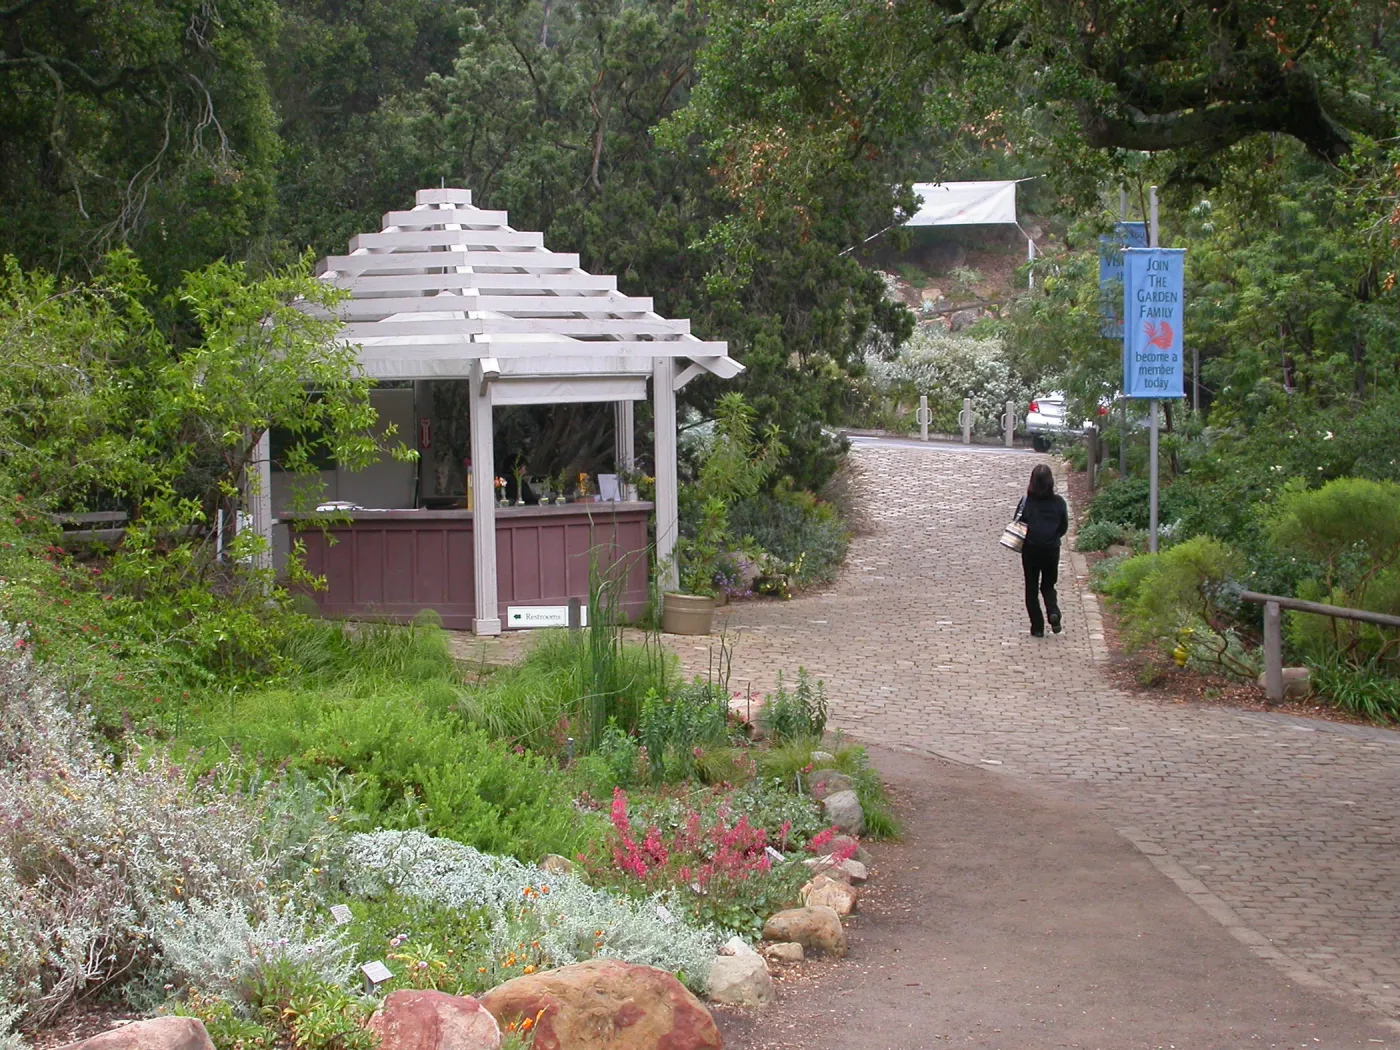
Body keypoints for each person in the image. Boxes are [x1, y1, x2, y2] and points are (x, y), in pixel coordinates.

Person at [1017, 463, 1068, 637]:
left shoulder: (1027, 502)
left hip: (1030, 549)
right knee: (1048, 585)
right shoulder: (1059, 503)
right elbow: (1063, 526)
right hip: (1051, 549)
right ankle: (1053, 611)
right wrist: (1053, 538)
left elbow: (1019, 523)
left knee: (1031, 588)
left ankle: (1037, 627)